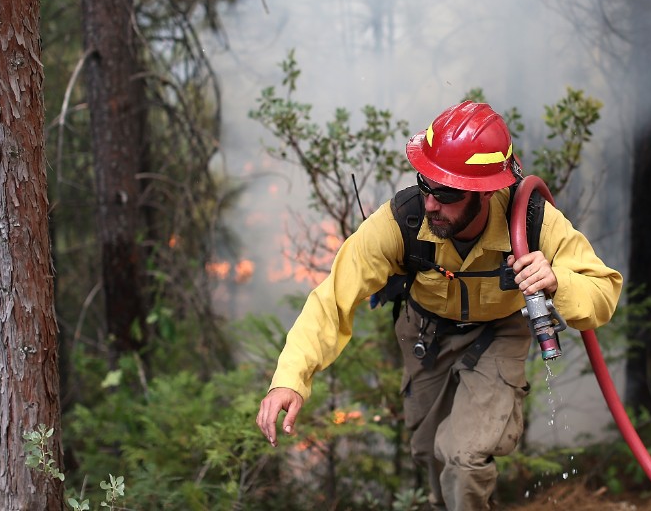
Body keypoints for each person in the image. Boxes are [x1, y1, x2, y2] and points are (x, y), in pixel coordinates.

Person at [257, 101, 623, 510]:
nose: (431, 202)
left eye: (446, 192)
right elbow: (332, 300)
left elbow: (603, 292)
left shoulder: (534, 221)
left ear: (483, 193)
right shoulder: (401, 221)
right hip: (425, 334)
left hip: (498, 334)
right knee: (430, 453)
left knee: (463, 457)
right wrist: (290, 377)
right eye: (426, 183)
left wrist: (559, 281)